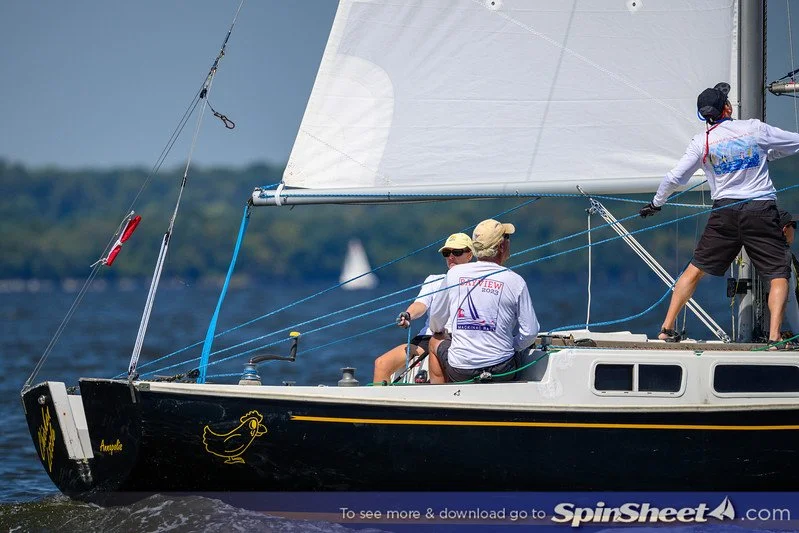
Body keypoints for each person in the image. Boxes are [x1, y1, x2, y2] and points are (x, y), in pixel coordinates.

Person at [640, 82, 799, 347]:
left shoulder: (701, 141)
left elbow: (674, 178)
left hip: (724, 212)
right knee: (777, 274)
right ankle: (774, 337)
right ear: (727, 108)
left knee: (695, 270)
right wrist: (766, 153)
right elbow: (794, 142)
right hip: (760, 210)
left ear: (704, 115)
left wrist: (656, 203)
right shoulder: (754, 128)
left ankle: (666, 329)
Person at [427, 219, 540, 383]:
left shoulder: (454, 274)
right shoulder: (516, 281)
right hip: (503, 370)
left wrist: (440, 331)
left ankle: (441, 394)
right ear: (501, 246)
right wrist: (512, 346)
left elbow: (436, 321)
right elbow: (530, 332)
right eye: (507, 238)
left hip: (460, 371)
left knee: (434, 340)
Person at [372, 233, 474, 384]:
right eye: (447, 253)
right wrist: (408, 315)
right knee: (381, 364)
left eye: (457, 252)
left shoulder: (478, 282)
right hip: (427, 338)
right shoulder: (434, 280)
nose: (451, 257)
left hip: (459, 338)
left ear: (470, 255)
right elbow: (421, 304)